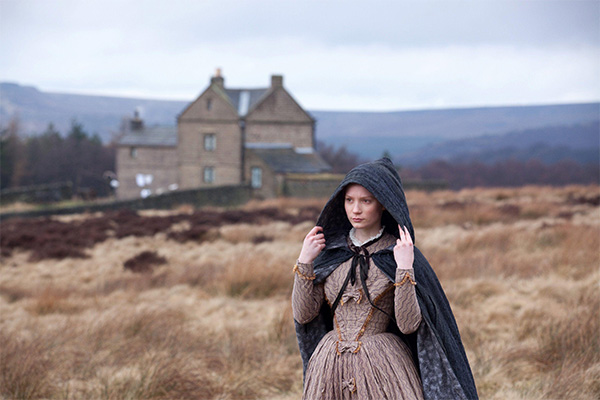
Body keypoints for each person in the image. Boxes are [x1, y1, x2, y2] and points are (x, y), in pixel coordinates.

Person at [292, 158, 478, 399]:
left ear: (382, 204)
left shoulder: (400, 252)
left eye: (365, 201)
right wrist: (305, 262)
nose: (355, 209)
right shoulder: (330, 252)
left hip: (382, 370)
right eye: (349, 200)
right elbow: (304, 314)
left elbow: (409, 325)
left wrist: (404, 269)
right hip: (329, 368)